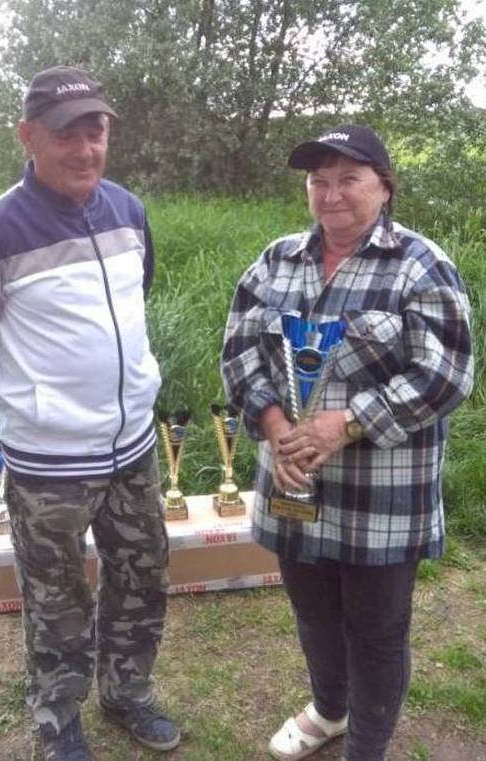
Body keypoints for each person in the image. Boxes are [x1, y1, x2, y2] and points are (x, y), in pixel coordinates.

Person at [0, 66, 180, 761]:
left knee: (141, 577)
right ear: (28, 136)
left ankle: (127, 693)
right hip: (48, 462)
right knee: (56, 600)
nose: (85, 149)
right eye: (66, 134)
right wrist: (38, 392)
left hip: (133, 447)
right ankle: (57, 716)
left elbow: (136, 298)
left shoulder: (128, 210)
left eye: (95, 131)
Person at [221, 124, 473, 761]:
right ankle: (330, 711)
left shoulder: (421, 264)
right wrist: (274, 425)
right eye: (319, 181)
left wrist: (349, 422)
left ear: (384, 188)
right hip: (293, 483)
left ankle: (367, 744)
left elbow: (447, 374)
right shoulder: (276, 261)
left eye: (349, 180)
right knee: (313, 615)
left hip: (380, 496)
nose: (331, 194)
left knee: (377, 630)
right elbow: (239, 353)